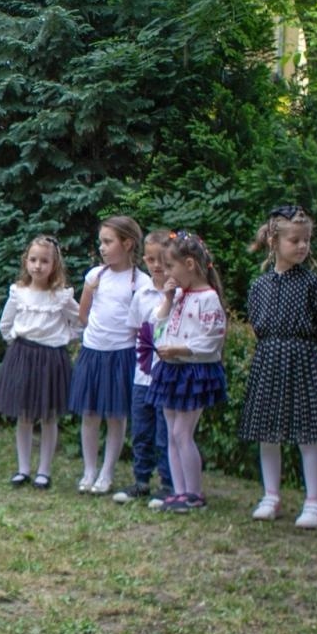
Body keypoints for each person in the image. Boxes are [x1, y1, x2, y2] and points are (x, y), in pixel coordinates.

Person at [239, 207, 317, 528]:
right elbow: (256, 322)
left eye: (306, 240)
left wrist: (300, 348)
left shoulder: (312, 284)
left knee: (308, 433)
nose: (302, 246)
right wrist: (276, 346)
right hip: (269, 359)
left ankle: (313, 502)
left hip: (302, 359)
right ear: (273, 241)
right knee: (268, 432)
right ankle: (271, 495)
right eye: (294, 240)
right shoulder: (260, 285)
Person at [69, 216, 151, 494]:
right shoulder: (95, 276)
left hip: (122, 355)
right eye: (101, 242)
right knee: (90, 413)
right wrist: (94, 334)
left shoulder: (140, 282)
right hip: (94, 352)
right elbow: (84, 312)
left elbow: (143, 323)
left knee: (116, 415)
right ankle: (89, 470)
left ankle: (107, 472)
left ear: (127, 243)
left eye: (108, 242)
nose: (102, 248)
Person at [149, 231, 228, 514]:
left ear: (190, 264)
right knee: (171, 432)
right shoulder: (179, 296)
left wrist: (182, 349)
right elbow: (157, 325)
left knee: (183, 432)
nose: (166, 272)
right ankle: (179, 491)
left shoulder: (208, 298)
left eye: (171, 266)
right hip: (171, 369)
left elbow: (212, 340)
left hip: (194, 372)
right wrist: (168, 299)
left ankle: (194, 493)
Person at [0, 236, 79, 490]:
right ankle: (23, 469)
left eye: (44, 261)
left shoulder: (61, 297)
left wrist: (64, 338)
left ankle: (44, 471)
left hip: (52, 359)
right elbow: (6, 324)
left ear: (54, 265)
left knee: (49, 416)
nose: (38, 266)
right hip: (23, 356)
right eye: (33, 260)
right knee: (25, 415)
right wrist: (17, 346)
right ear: (26, 262)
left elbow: (80, 322)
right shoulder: (19, 293)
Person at [115, 230, 176, 508]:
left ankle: (168, 483)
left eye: (162, 259)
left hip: (169, 374)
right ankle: (141, 479)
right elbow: (136, 331)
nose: (156, 265)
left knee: (165, 433)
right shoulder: (142, 293)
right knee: (141, 429)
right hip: (143, 374)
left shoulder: (179, 294)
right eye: (150, 259)